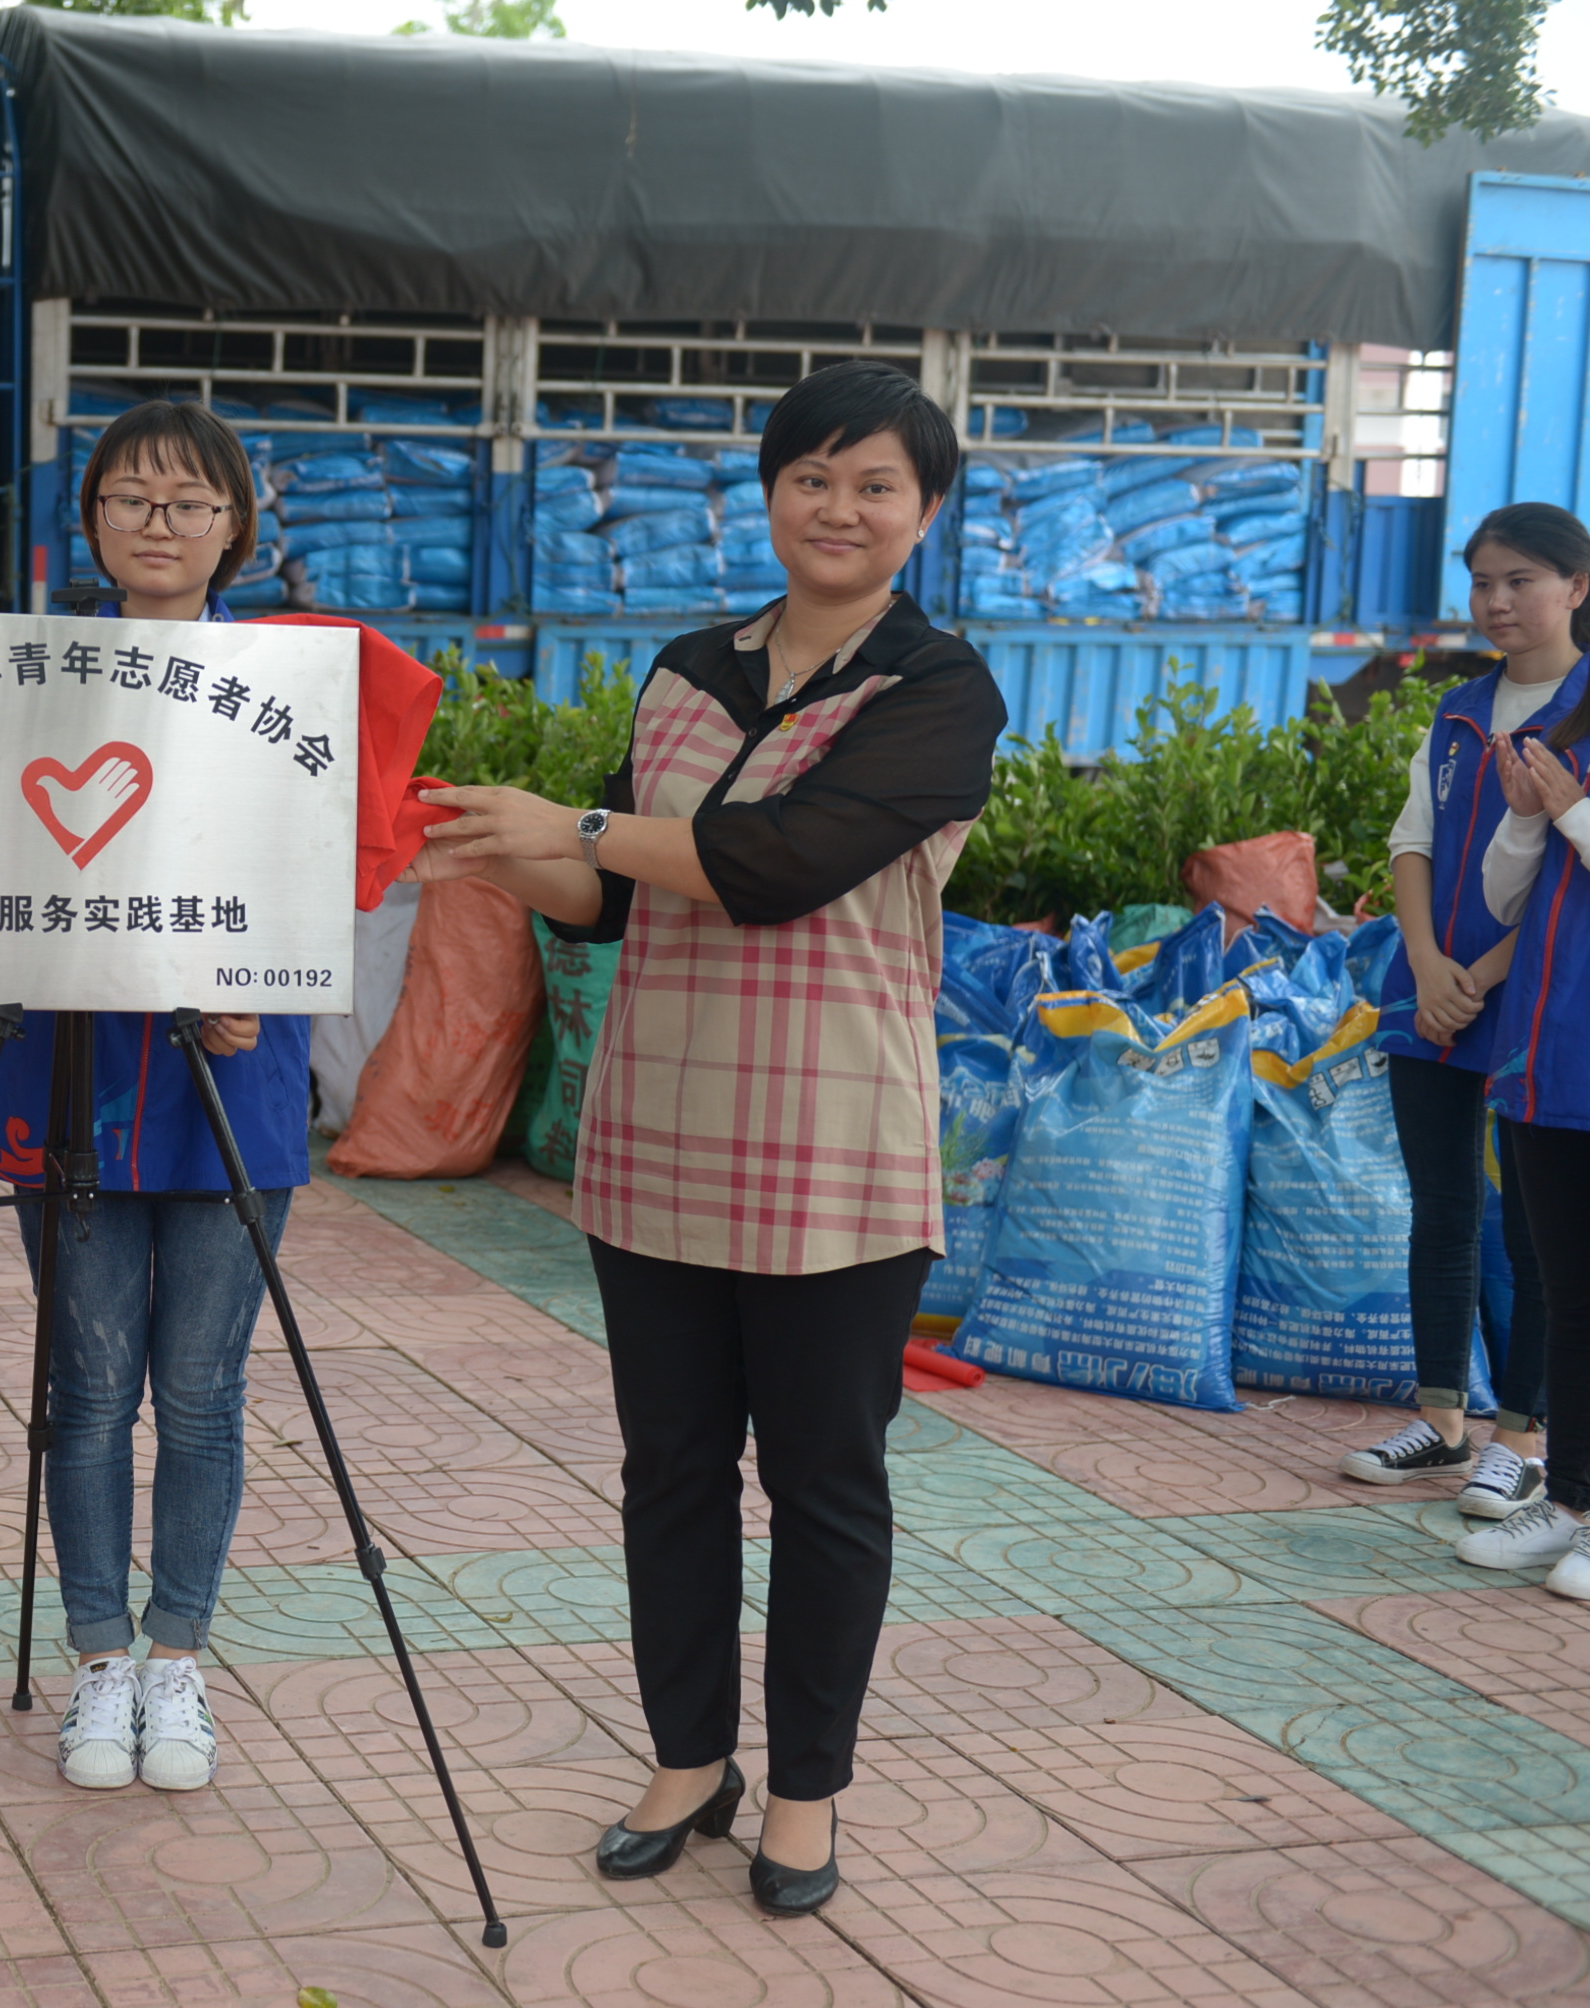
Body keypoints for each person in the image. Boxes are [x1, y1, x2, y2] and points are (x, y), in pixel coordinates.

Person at [406, 361, 1004, 1916]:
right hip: (658, 1141)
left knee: (823, 1484)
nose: (839, 507)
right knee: (669, 1471)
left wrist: (580, 827)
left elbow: (783, 863)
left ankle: (805, 1792)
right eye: (812, 476)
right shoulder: (687, 670)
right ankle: (688, 1761)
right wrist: (496, 848)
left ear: (926, 510)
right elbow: (607, 898)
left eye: (876, 484)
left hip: (836, 1152)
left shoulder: (940, 688)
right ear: (770, 491)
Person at [0, 399, 302, 1796]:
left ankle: (177, 1659)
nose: (158, 523)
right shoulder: (23, 685)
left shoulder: (284, 692)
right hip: (67, 1075)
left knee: (202, 1393)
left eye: (187, 502)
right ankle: (98, 1657)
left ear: (234, 529)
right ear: (88, 520)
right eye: (130, 498)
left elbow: (324, 867)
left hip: (229, 1082)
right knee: (85, 1388)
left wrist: (270, 983)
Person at [1342, 505, 1577, 1510]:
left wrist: (1476, 976)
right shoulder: (1459, 711)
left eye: (1519, 580)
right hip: (1430, 987)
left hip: (1532, 1001)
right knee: (1440, 1208)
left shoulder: (1582, 712)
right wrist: (1427, 963)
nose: (1495, 601)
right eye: (1482, 582)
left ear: (1576, 587)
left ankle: (1521, 1437)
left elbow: (1566, 878)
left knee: (1535, 1231)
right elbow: (1414, 840)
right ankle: (1440, 1421)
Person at [1459, 605, 1590, 1597]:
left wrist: (1571, 813)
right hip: (1545, 1064)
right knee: (1569, 1294)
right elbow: (1505, 898)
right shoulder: (1569, 725)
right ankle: (1570, 1503)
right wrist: (1522, 814)